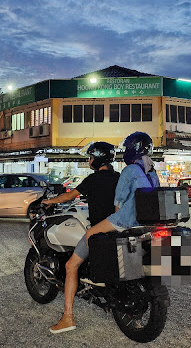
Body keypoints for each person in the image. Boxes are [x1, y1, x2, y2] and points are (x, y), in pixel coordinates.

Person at [42, 142, 119, 334]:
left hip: (100, 232)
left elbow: (69, 196)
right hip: (120, 229)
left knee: (70, 266)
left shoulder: (93, 179)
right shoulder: (119, 178)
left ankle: (68, 317)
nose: (90, 161)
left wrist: (49, 201)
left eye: (91, 157)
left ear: (98, 158)